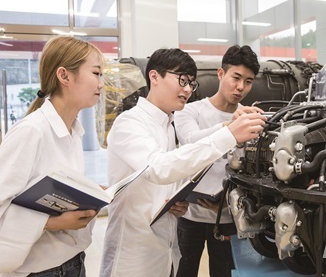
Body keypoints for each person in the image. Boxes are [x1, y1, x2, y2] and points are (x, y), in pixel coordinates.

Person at [99, 48, 266, 277]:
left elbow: (168, 173)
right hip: (133, 255)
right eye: (182, 81)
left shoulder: (166, 124)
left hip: (164, 249)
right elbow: (159, 168)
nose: (187, 89)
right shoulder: (130, 122)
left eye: (191, 83)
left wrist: (174, 201)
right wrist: (229, 133)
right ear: (154, 77)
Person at [0, 36, 104, 277]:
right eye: (96, 73)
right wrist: (53, 223)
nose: (101, 83)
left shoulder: (73, 130)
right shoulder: (32, 131)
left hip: (74, 261)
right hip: (43, 271)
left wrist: (90, 193)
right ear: (64, 76)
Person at [174, 45, 260, 277]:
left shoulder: (249, 118)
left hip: (228, 217)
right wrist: (229, 126)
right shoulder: (189, 111)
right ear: (221, 74)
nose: (241, 87)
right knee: (184, 270)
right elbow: (191, 142)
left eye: (249, 81)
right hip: (190, 215)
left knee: (225, 273)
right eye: (236, 77)